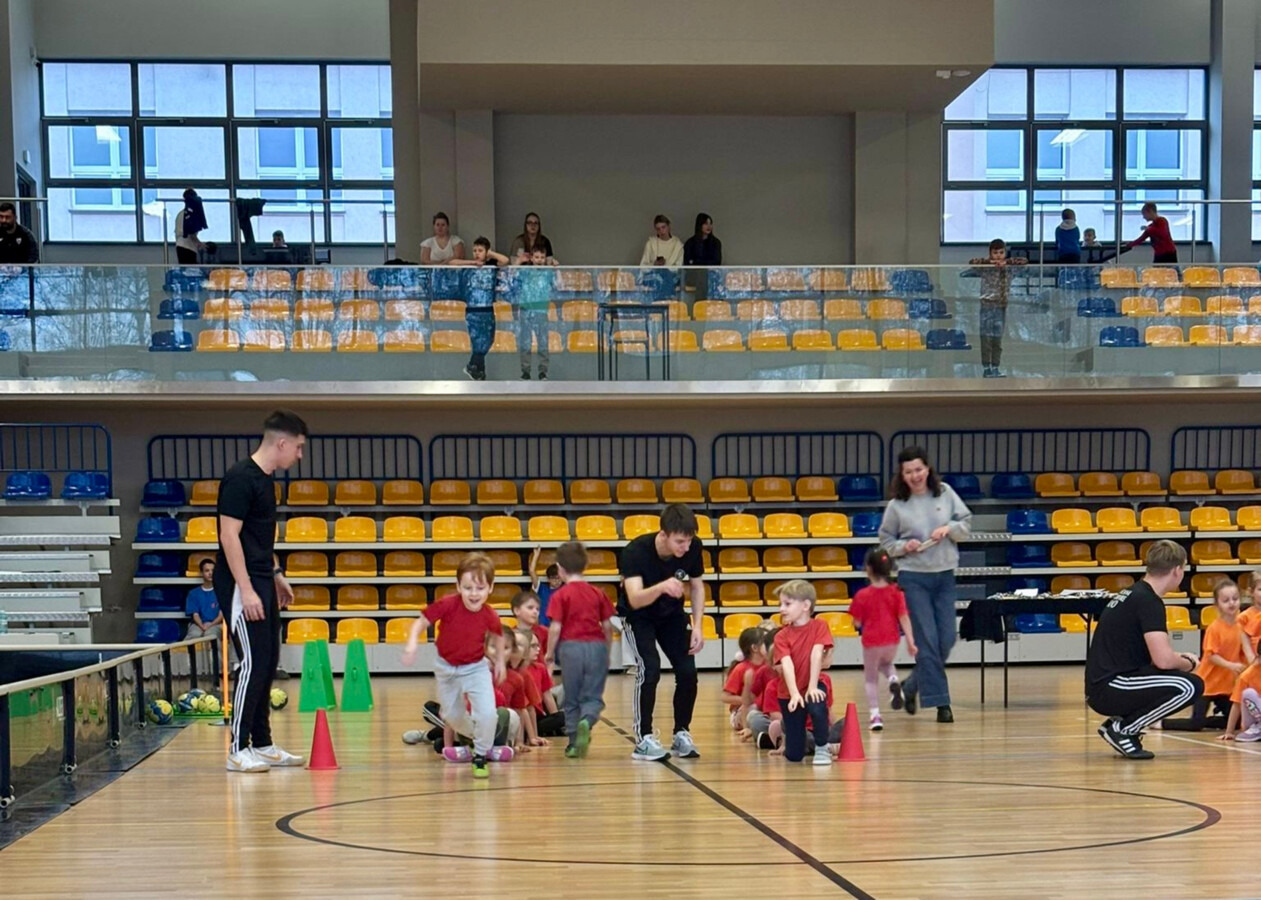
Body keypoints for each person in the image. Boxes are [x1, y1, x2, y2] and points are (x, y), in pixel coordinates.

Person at [216, 409, 307, 773]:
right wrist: (247, 589)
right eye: (298, 448)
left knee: (268, 662)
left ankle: (263, 743)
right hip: (242, 584)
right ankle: (238, 749)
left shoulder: (266, 481)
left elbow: (258, 539)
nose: (300, 455)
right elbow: (229, 536)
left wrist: (276, 574)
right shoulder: (240, 478)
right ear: (281, 443)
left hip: (262, 580)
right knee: (251, 663)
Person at [878, 445, 972, 724]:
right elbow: (886, 541)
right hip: (913, 578)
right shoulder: (896, 506)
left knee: (946, 638)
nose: (915, 475)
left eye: (919, 469)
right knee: (927, 640)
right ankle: (941, 702)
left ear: (927, 469)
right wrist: (903, 546)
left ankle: (911, 686)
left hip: (944, 575)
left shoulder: (945, 493)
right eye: (909, 471)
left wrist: (950, 529)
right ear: (902, 475)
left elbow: (966, 524)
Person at [1085, 540, 1203, 759]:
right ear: (1177, 570)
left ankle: (1118, 724)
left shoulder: (1132, 593)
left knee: (1173, 680)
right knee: (1189, 686)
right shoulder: (1148, 601)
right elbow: (1164, 661)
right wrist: (1190, 662)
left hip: (1103, 684)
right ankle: (1123, 731)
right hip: (1111, 685)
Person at [402, 552, 507, 778]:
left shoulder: (490, 615)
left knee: (488, 713)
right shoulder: (448, 604)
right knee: (451, 716)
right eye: (468, 587)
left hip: (476, 667)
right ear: (458, 586)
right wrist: (412, 644)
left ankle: (480, 755)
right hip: (446, 668)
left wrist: (500, 662)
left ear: (490, 587)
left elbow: (498, 637)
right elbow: (421, 623)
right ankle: (479, 739)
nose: (473, 594)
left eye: (479, 588)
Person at [618, 502, 706, 761]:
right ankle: (643, 738)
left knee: (688, 672)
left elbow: (698, 587)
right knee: (650, 668)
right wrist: (662, 587)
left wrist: (698, 624)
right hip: (639, 616)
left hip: (672, 616)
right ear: (663, 534)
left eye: (689, 541)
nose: (686, 548)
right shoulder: (635, 551)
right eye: (680, 541)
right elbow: (634, 598)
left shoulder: (693, 548)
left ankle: (681, 733)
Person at [543, 541, 615, 758]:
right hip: (596, 647)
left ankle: (574, 742)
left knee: (572, 698)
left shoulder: (560, 596)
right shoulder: (597, 593)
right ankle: (588, 719)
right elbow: (608, 626)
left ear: (560, 569)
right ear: (585, 566)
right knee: (592, 696)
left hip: (570, 648)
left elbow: (555, 628)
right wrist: (607, 651)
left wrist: (548, 654)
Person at [1162, 579, 1254, 731]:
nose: (1231, 603)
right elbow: (1211, 656)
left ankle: (1207, 721)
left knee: (1236, 723)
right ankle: (1162, 723)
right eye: (1226, 600)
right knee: (1195, 724)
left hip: (1226, 686)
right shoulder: (1214, 628)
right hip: (1206, 684)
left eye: (1235, 599)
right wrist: (1231, 665)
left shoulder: (1242, 626)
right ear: (1217, 604)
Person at [849, 548, 917, 731]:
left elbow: (856, 622)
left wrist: (858, 621)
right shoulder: (896, 592)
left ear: (868, 569)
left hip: (872, 641)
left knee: (870, 679)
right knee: (887, 664)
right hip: (892, 640)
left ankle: (875, 715)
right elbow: (904, 617)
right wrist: (910, 641)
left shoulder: (862, 595)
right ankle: (894, 680)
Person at [771, 580, 834, 766]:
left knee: (816, 703)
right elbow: (787, 664)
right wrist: (795, 694)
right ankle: (803, 742)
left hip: (813, 684)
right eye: (780, 604)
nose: (782, 609)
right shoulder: (781, 636)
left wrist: (812, 687)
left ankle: (822, 747)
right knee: (794, 755)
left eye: (787, 604)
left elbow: (816, 654)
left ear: (806, 605)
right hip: (789, 694)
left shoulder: (820, 626)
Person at [451, 237, 510, 381]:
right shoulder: (469, 266)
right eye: (475, 250)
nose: (477, 253)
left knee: (489, 340)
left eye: (480, 251)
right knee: (478, 342)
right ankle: (477, 370)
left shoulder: (491, 266)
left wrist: (491, 254)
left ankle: (475, 367)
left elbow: (505, 260)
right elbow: (452, 263)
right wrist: (472, 262)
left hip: (488, 308)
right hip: (473, 309)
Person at [968, 238, 1028, 378]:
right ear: (990, 253)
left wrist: (1006, 263)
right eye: (995, 253)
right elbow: (972, 262)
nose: (998, 256)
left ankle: (995, 367)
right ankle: (986, 367)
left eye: (1001, 253)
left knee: (997, 339)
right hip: (987, 306)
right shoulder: (985, 268)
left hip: (1001, 306)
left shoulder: (1009, 268)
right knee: (986, 338)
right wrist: (990, 263)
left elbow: (1024, 262)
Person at [514, 246, 553, 380]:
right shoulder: (526, 271)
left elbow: (557, 284)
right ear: (531, 258)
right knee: (525, 342)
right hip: (526, 310)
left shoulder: (548, 273)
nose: (539, 260)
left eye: (542, 257)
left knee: (543, 343)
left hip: (541, 311)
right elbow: (514, 277)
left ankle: (543, 371)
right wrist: (518, 262)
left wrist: (555, 267)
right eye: (536, 257)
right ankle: (525, 371)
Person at [720, 627, 766, 733]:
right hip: (741, 711)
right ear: (754, 648)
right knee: (754, 708)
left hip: (761, 707)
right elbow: (725, 697)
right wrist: (748, 701)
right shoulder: (741, 669)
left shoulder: (768, 666)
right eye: (765, 642)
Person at [682, 213, 721, 297]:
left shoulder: (716, 243)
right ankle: (702, 303)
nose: (709, 226)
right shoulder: (690, 243)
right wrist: (703, 263)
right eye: (706, 224)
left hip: (711, 275)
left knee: (705, 275)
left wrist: (697, 261)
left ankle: (703, 303)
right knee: (701, 275)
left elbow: (717, 262)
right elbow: (687, 263)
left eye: (710, 224)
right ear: (700, 225)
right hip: (693, 276)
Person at [1223, 658, 1261, 741]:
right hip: (1253, 720)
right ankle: (1257, 728)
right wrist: (1229, 732)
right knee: (1248, 693)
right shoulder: (1247, 675)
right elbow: (1236, 703)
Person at [185, 558, 223, 640]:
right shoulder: (193, 593)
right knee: (194, 635)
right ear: (202, 573)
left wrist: (210, 625)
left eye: (213, 570)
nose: (210, 573)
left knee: (210, 635)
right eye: (207, 571)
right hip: (198, 625)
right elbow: (195, 615)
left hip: (216, 624)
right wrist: (202, 626)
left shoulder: (221, 592)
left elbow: (221, 615)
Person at [529, 546, 561, 624]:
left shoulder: (565, 590)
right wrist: (536, 555)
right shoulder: (541, 588)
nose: (556, 581)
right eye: (553, 578)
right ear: (548, 579)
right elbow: (532, 571)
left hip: (559, 627)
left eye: (558, 578)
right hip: (542, 626)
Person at [172, 189, 205, 265]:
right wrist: (200, 244)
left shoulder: (180, 214)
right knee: (190, 271)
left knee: (184, 270)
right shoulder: (191, 214)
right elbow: (191, 233)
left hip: (179, 245)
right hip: (188, 247)